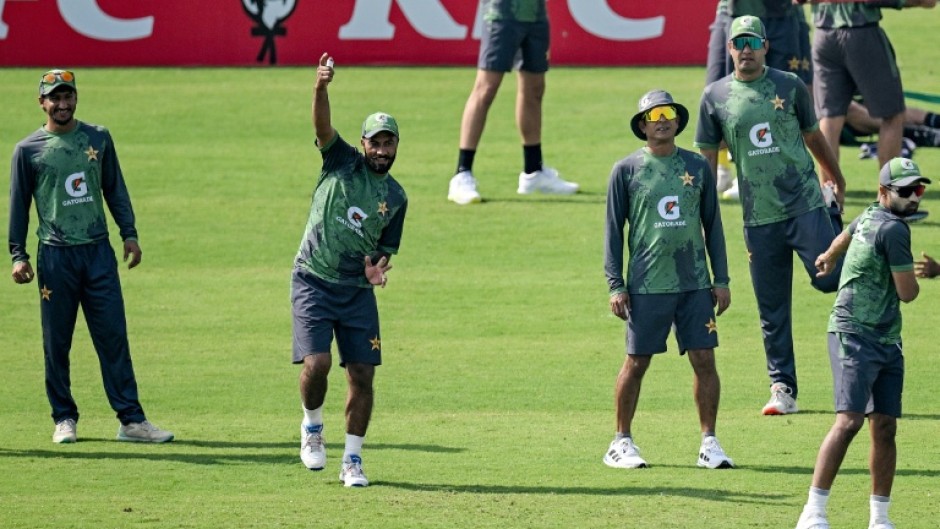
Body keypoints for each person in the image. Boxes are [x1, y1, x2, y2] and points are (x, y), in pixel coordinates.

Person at [8, 69, 173, 444]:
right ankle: (64, 418)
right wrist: (18, 256)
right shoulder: (28, 150)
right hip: (55, 257)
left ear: (76, 98)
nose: (62, 104)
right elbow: (18, 208)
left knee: (113, 337)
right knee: (57, 342)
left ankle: (131, 421)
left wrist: (129, 234)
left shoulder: (98, 137)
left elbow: (115, 189)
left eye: (68, 96)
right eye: (55, 98)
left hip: (98, 253)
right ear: (42, 102)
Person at [695, 16, 847, 416]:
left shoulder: (789, 85)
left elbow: (813, 135)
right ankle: (783, 388)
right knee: (772, 307)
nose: (745, 49)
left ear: (765, 47)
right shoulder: (714, 97)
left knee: (830, 279)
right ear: (729, 49)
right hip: (759, 218)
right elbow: (707, 160)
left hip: (804, 204)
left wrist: (834, 175)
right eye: (737, 42)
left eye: (752, 42)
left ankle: (838, 223)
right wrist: (703, 209)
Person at [294, 53, 408, 488]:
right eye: (375, 142)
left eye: (388, 143)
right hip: (313, 278)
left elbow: (384, 251)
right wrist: (320, 87)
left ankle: (353, 461)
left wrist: (377, 271)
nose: (381, 150)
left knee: (362, 374)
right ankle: (312, 427)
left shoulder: (396, 197)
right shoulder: (340, 161)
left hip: (357, 290)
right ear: (362, 143)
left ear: (396, 146)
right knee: (318, 362)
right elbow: (322, 127)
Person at [604, 90, 733, 469]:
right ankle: (620, 442)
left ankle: (710, 443)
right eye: (654, 114)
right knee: (637, 362)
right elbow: (613, 232)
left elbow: (713, 225)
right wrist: (615, 285)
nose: (662, 120)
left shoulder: (697, 167)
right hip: (647, 285)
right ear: (642, 125)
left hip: (694, 283)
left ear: (677, 121)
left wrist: (720, 278)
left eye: (669, 113)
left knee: (704, 360)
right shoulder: (625, 171)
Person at [796, 157, 928, 529]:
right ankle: (813, 512)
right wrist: (926, 276)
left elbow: (849, 231)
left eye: (918, 190)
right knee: (850, 421)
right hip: (854, 333)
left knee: (884, 425)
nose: (914, 198)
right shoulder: (895, 231)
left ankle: (880, 520)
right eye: (906, 192)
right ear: (883, 192)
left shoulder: (873, 213)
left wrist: (828, 255)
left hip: (886, 337)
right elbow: (907, 293)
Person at [446, 0, 578, 205]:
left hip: (535, 14)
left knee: (534, 89)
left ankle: (533, 172)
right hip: (501, 13)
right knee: (486, 88)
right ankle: (462, 174)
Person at [704, 0, 813, 200]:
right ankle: (724, 168)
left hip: (781, 15)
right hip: (733, 13)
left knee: (783, 98)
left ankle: (773, 173)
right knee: (719, 93)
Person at [809, 0, 937, 169]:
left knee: (830, 117)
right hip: (861, 32)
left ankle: (829, 191)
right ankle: (889, 189)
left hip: (823, 35)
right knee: (892, 115)